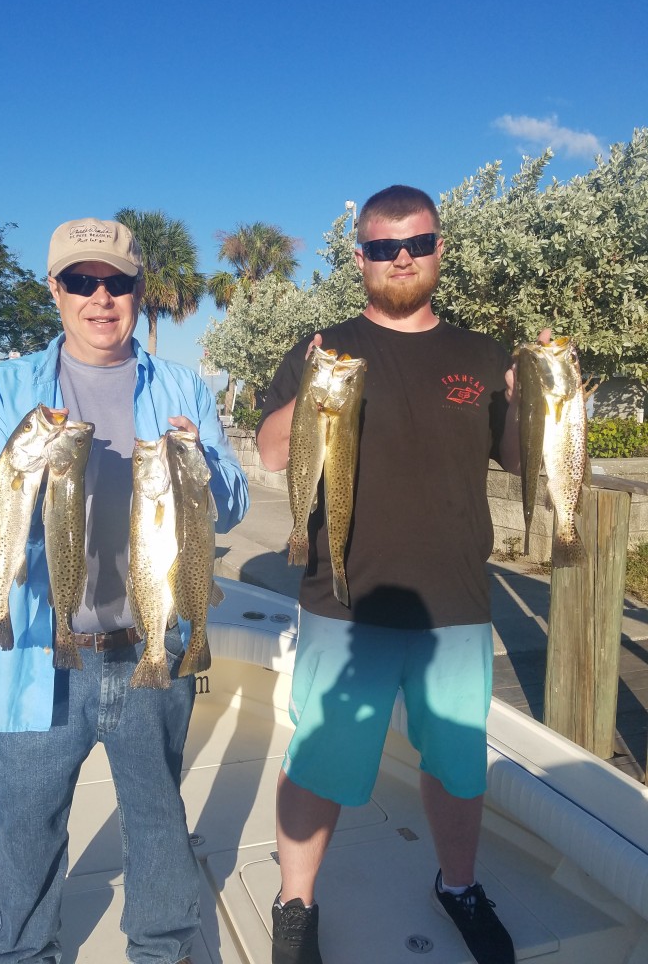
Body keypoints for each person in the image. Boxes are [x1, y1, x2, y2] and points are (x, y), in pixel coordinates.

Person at [0, 217, 249, 964]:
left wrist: (200, 465)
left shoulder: (181, 387)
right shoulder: (6, 391)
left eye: (117, 282)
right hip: (37, 652)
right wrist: (17, 466)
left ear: (140, 291)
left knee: (158, 820)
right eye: (81, 281)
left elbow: (230, 504)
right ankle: (20, 955)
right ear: (55, 290)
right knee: (25, 827)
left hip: (151, 645)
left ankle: (163, 951)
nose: (100, 298)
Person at [256, 186, 525, 964]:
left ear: (440, 248)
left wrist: (535, 398)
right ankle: (296, 903)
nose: (400, 257)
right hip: (343, 599)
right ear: (360, 258)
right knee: (320, 758)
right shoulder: (324, 346)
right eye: (381, 247)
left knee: (456, 762)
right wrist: (308, 388)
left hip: (457, 605)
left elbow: (516, 460)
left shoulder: (481, 355)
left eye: (416, 242)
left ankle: (459, 886)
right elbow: (276, 454)